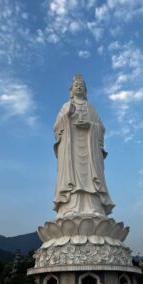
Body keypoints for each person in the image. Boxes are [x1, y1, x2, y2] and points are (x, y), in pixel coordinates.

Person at [53, 75, 114, 218]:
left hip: (89, 149)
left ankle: (94, 207)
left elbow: (101, 128)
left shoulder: (91, 108)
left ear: (85, 90)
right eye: (76, 85)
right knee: (71, 177)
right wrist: (66, 116)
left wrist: (91, 126)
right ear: (71, 90)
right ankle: (69, 207)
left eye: (81, 85)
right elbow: (56, 128)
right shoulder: (65, 106)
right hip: (71, 149)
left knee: (91, 178)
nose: (79, 87)